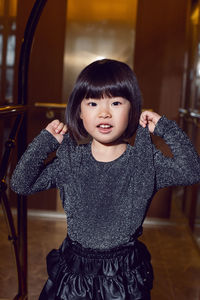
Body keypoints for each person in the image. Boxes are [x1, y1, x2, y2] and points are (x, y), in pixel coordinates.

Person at [10, 59, 200, 300]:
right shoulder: (71, 161)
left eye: (116, 102)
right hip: (74, 275)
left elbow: (191, 171)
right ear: (79, 111)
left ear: (132, 109)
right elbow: (20, 183)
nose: (104, 112)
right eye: (92, 102)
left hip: (123, 278)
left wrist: (165, 127)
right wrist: (44, 142)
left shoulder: (144, 161)